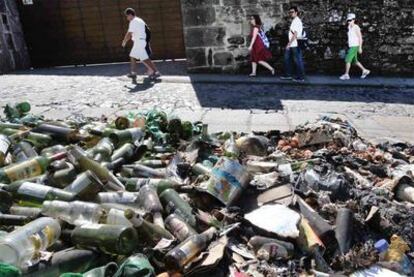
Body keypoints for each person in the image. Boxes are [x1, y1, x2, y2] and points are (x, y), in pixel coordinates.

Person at [122, 8, 160, 79]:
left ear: (130, 15)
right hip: (140, 41)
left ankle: (156, 72)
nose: (127, 18)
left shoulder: (133, 21)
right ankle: (134, 73)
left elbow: (129, 33)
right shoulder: (139, 20)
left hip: (139, 42)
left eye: (127, 16)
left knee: (143, 58)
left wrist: (124, 41)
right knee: (136, 57)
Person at [339, 13, 370, 80]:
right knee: (355, 61)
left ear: (354, 20)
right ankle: (364, 70)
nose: (349, 22)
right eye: (348, 20)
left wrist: (360, 47)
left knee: (347, 60)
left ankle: (346, 74)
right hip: (351, 46)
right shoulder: (349, 27)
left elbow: (360, 38)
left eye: (350, 20)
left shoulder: (356, 27)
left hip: (354, 46)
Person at [281, 6, 305, 82]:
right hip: (292, 44)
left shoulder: (297, 21)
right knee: (287, 59)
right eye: (290, 12)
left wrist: (289, 43)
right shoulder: (294, 20)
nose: (290, 13)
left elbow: (295, 34)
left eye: (292, 12)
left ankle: (300, 77)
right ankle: (288, 75)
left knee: (297, 60)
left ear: (296, 12)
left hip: (295, 44)